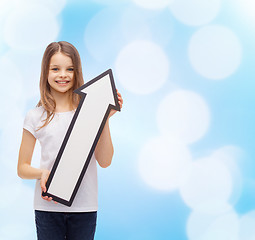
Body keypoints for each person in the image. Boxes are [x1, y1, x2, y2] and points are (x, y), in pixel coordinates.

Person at [17, 41, 123, 240]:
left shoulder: (88, 112)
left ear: (77, 72)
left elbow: (105, 161)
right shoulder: (35, 116)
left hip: (84, 207)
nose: (63, 75)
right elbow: (22, 168)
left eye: (70, 69)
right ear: (45, 73)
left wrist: (104, 117)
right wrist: (43, 174)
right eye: (55, 69)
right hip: (47, 208)